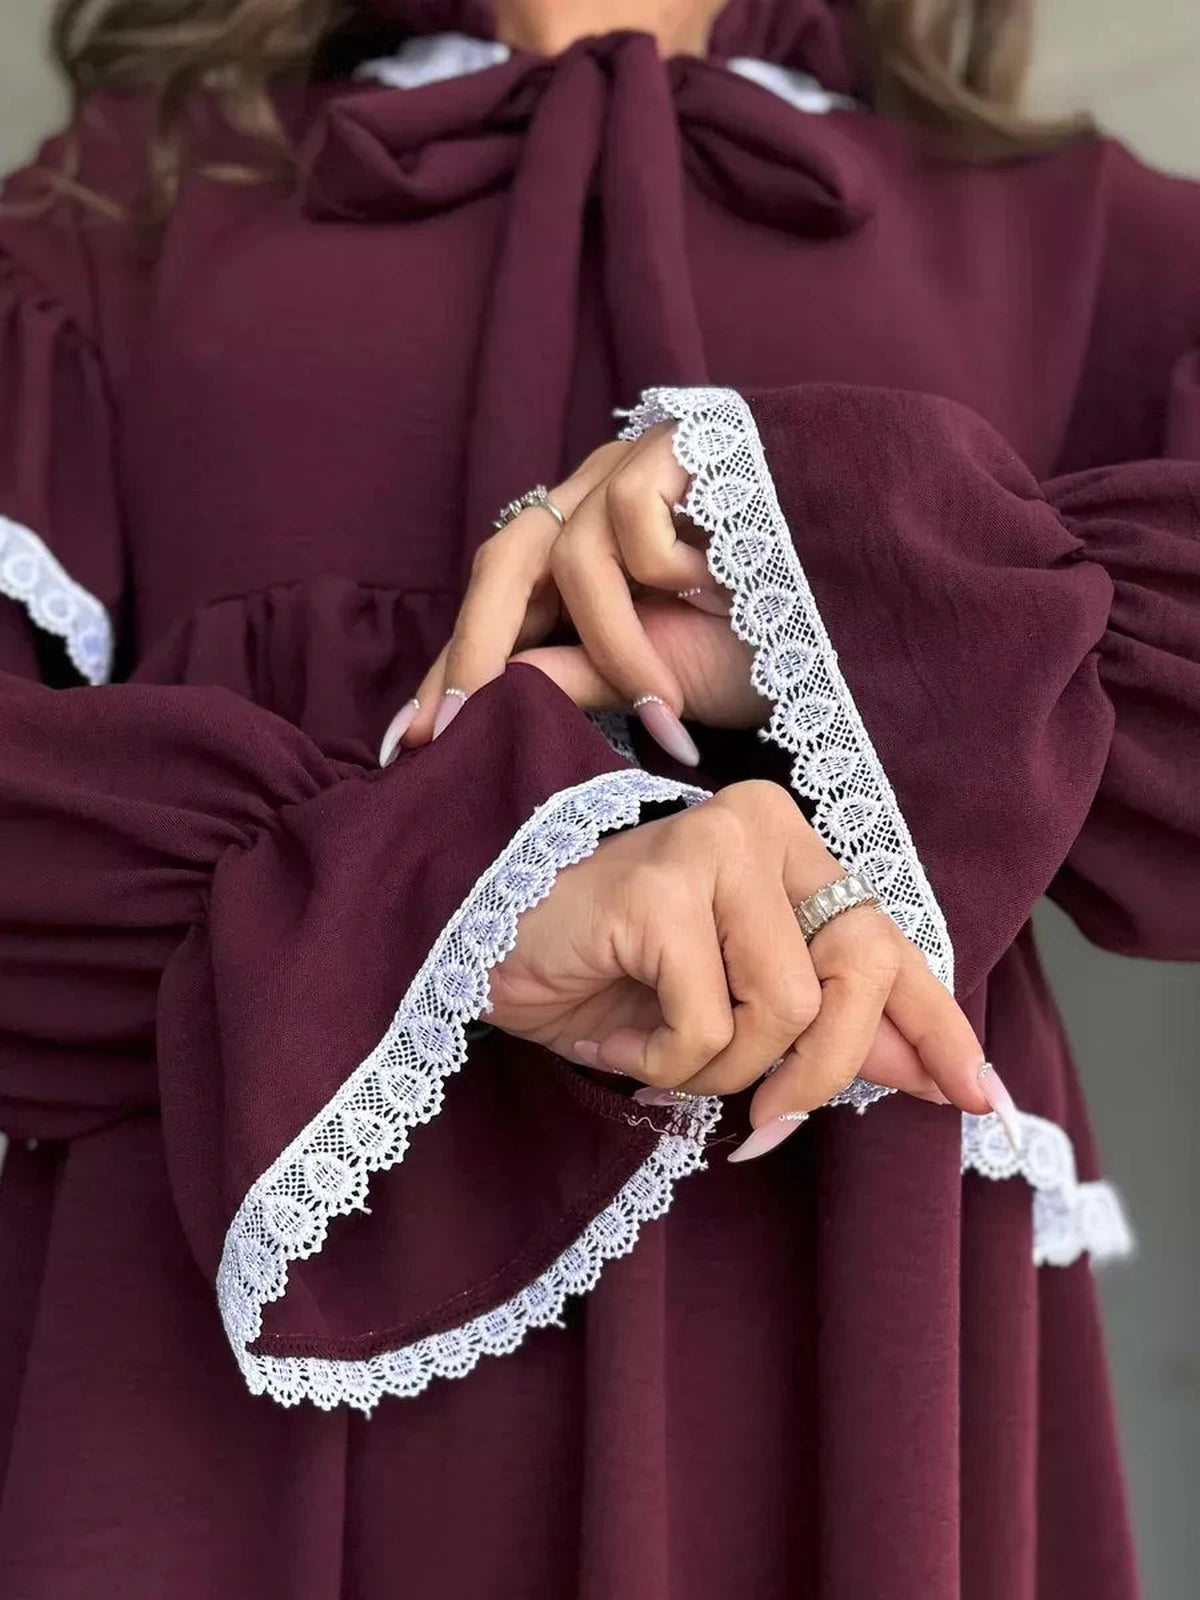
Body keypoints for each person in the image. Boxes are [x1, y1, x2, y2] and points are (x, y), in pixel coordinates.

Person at [0, 0, 1197, 1593]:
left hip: (849, 1343)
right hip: (213, 1390)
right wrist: (453, 904)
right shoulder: (100, 226)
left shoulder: (1081, 241)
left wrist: (852, 561)